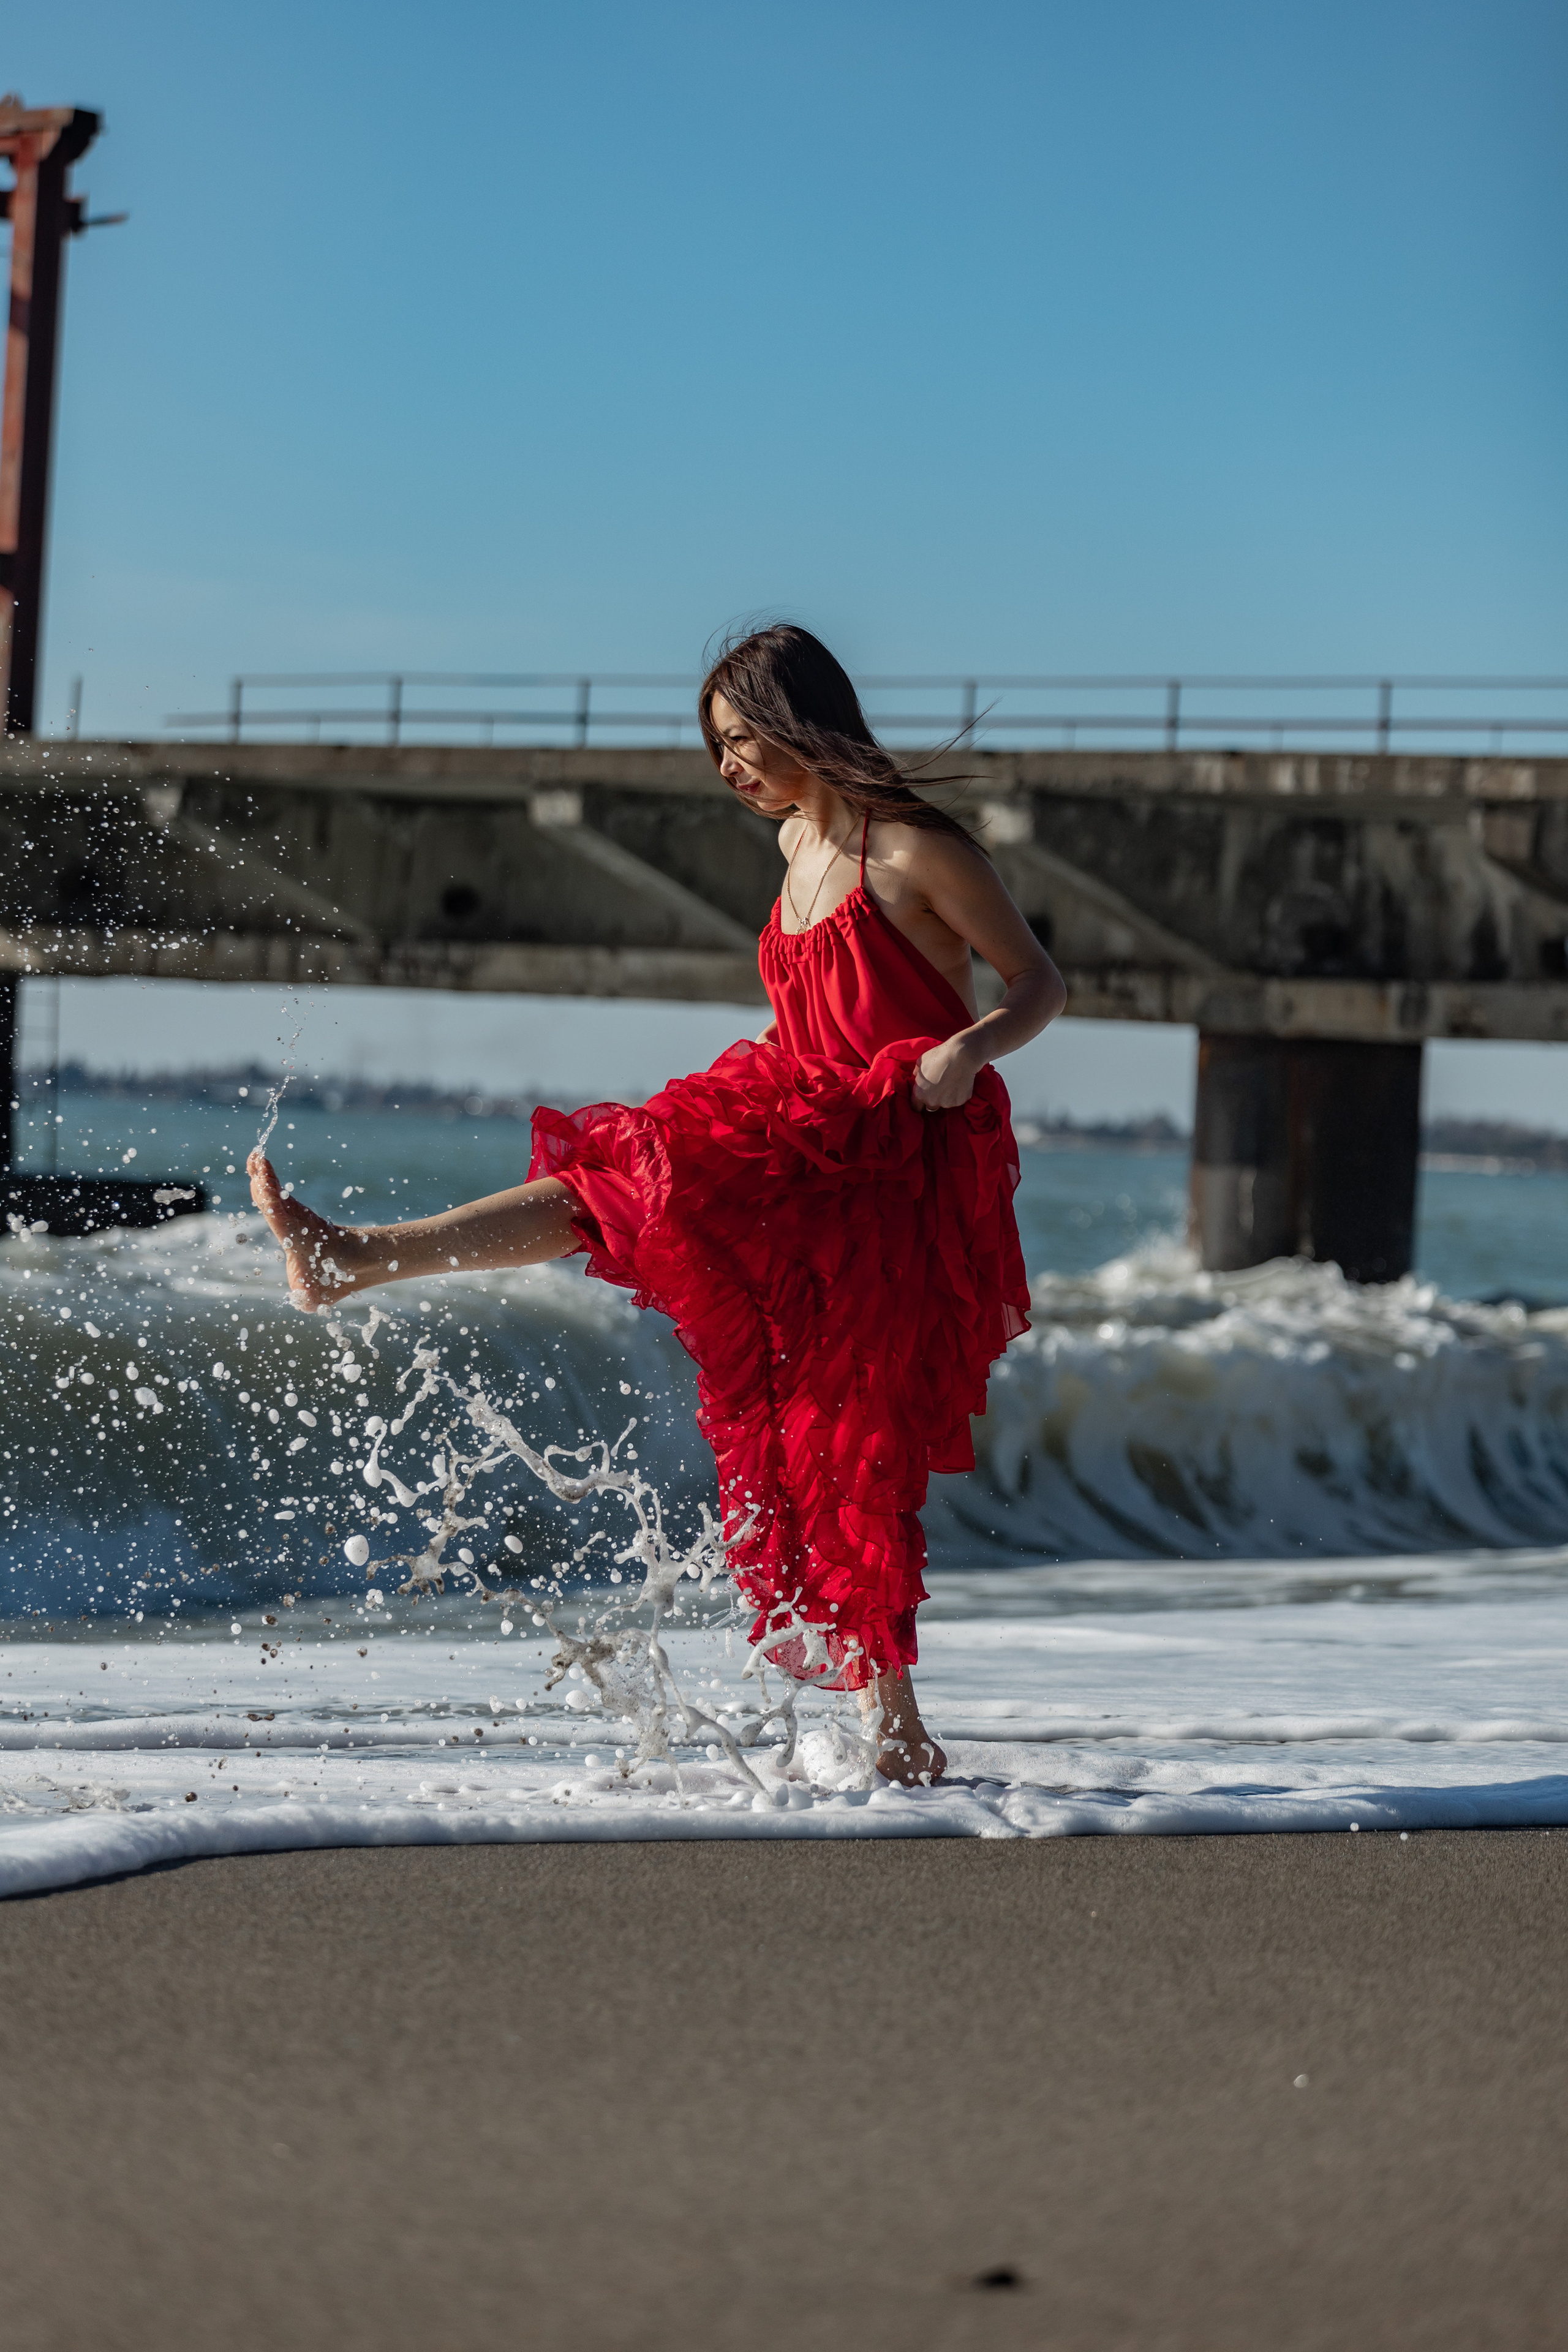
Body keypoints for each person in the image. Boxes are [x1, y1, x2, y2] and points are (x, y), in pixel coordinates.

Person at [249, 625, 1065, 1782]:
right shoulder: (792, 844)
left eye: (741, 741)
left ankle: (899, 1728)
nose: (727, 768)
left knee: (850, 1436)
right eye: (716, 748)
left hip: (895, 1156)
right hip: (794, 1123)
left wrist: (969, 1052)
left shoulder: (917, 850)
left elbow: (1040, 981)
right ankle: (356, 1258)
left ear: (802, 725)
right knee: (619, 1179)